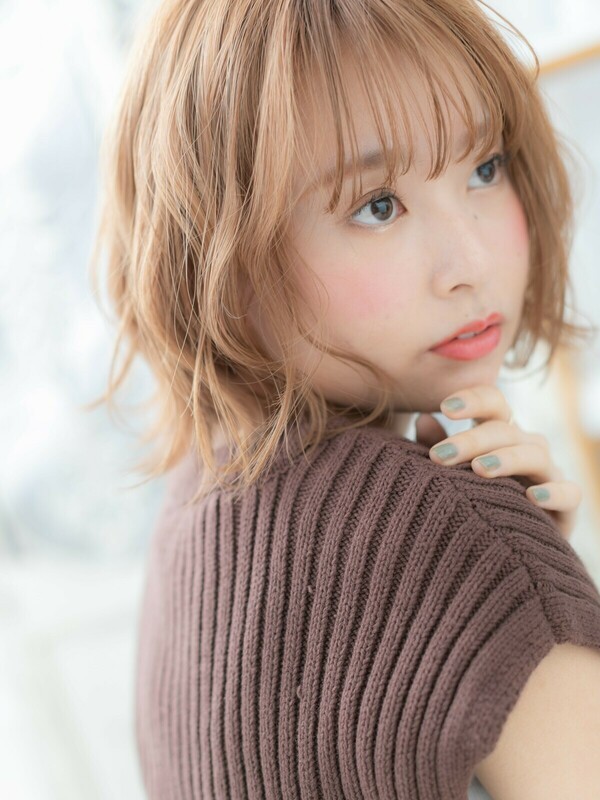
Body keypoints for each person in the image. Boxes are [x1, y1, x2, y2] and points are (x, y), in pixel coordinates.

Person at [88, 0, 600, 797]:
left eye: (485, 167)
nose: (468, 261)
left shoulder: (198, 506)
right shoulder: (449, 537)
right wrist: (512, 573)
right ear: (223, 262)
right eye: (377, 206)